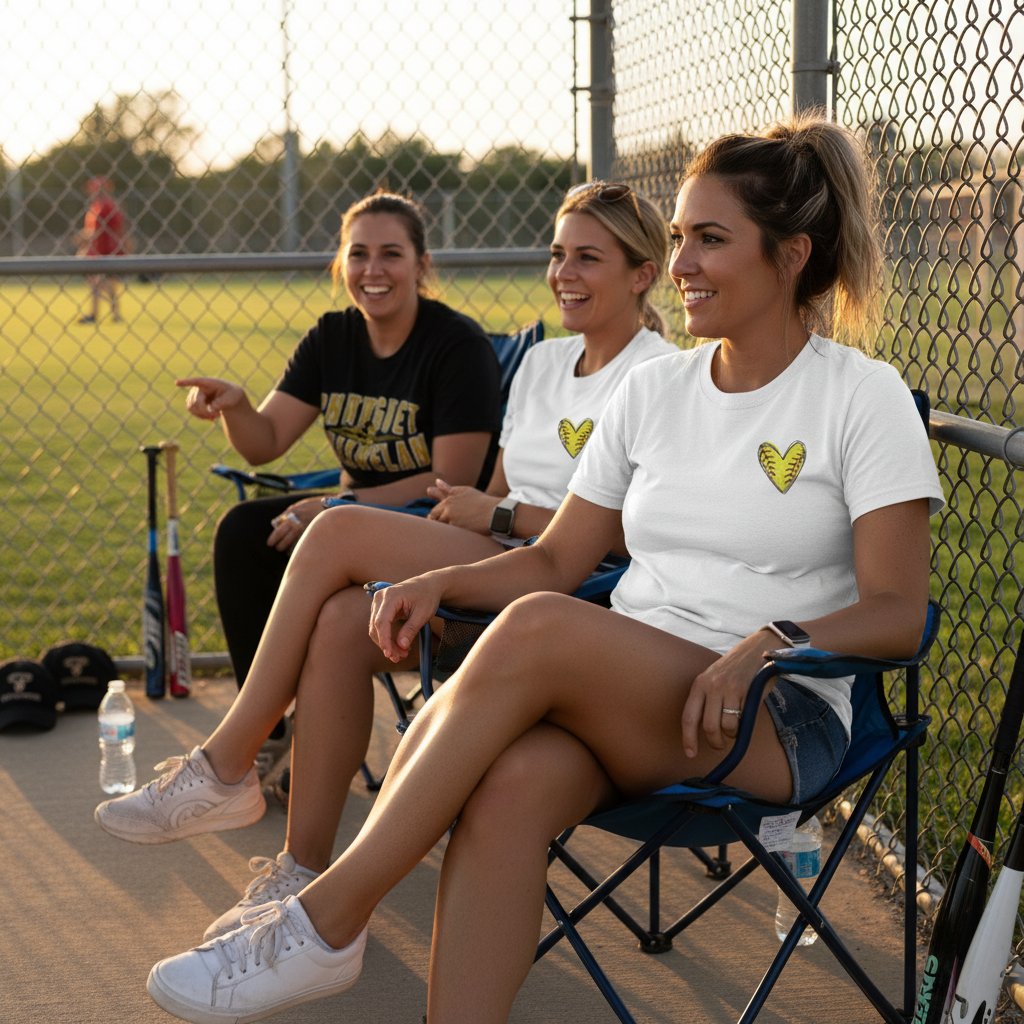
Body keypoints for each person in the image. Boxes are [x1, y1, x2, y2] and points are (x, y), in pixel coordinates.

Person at [138, 114, 946, 1024]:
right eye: (678, 236)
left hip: (770, 712)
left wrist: (769, 642)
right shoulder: (655, 389)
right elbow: (559, 556)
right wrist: (439, 584)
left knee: (541, 628)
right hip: (624, 691)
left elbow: (897, 612)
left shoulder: (861, 396)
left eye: (710, 240)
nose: (681, 263)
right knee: (509, 787)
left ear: (793, 254)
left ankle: (322, 922)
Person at [94, 182, 678, 940]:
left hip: (574, 597)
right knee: (341, 620)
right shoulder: (542, 360)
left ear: (641, 274)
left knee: (335, 531)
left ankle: (226, 764)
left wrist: (499, 513)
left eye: (588, 258)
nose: (563, 272)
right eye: (558, 254)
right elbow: (498, 487)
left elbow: (638, 535)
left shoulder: (660, 375)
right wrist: (488, 510)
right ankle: (300, 876)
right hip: (497, 560)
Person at [177, 191, 503, 707]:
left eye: (391, 254)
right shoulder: (332, 337)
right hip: (349, 519)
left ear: (421, 265)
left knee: (301, 535)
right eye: (358, 253)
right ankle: (272, 729)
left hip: (435, 529)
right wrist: (236, 408)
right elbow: (265, 444)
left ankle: (279, 722)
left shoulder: (457, 347)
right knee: (243, 532)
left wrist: (336, 506)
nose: (373, 269)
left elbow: (448, 482)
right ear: (341, 263)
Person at [76, 175, 128, 324]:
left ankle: (102, 313)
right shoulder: (97, 206)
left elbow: (105, 230)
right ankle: (107, 313)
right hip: (98, 250)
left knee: (98, 283)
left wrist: (85, 238)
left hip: (105, 251)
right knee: (98, 283)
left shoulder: (107, 207)